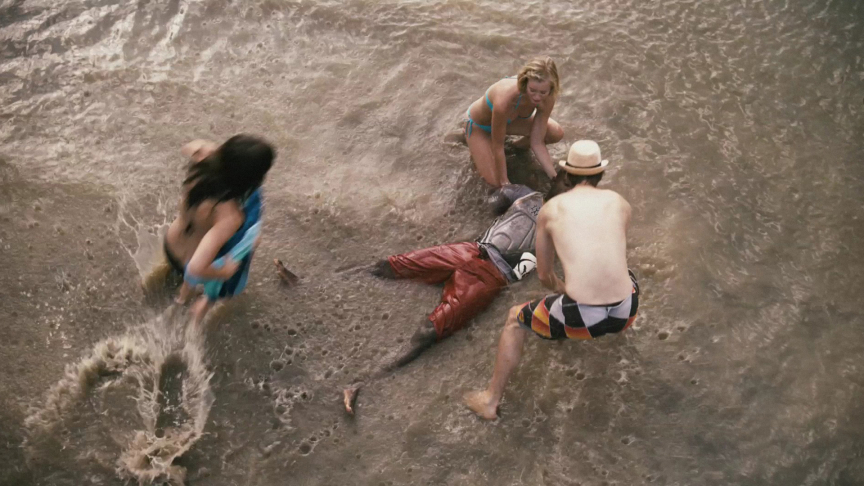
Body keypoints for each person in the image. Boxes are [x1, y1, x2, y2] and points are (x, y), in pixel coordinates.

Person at [341, 177, 577, 414]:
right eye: (569, 182)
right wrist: (500, 195)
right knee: (387, 266)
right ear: (558, 179)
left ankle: (362, 381)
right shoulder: (527, 195)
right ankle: (339, 276)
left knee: (429, 332)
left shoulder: (566, 232)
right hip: (470, 250)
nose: (571, 191)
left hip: (492, 276)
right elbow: (492, 200)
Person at [465, 140, 639, 420]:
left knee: (515, 318)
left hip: (583, 315)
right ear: (601, 174)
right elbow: (614, 252)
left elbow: (545, 274)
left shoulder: (552, 209)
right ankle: (612, 334)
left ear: (567, 176)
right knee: (627, 276)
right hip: (626, 311)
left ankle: (490, 401)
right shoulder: (620, 203)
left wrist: (563, 289)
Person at [164, 134, 275, 325]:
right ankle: (186, 302)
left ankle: (178, 297)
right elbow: (195, 268)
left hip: (170, 243)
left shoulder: (201, 161)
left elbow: (189, 146)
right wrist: (223, 272)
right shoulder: (230, 215)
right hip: (186, 262)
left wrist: (214, 153)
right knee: (251, 242)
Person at [464, 57, 565, 188]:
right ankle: (472, 140)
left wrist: (554, 177)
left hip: (509, 122)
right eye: (532, 90)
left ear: (551, 88)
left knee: (555, 132)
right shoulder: (505, 100)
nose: (537, 97)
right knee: (495, 185)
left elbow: (537, 142)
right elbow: (498, 145)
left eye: (543, 92)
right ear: (525, 82)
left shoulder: (549, 98)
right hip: (480, 126)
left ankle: (515, 147)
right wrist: (505, 182)